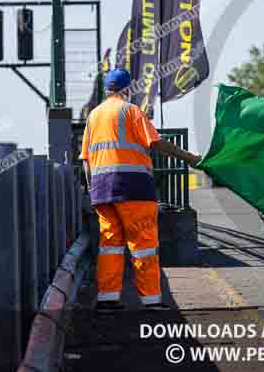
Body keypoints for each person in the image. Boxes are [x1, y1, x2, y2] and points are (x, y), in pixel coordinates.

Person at [81, 68, 202, 311]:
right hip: (133, 188)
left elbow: (85, 159)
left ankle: (107, 299)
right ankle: (151, 300)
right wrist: (189, 157)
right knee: (143, 245)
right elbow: (156, 142)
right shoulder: (131, 111)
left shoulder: (93, 116)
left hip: (102, 190)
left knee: (110, 245)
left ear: (107, 89)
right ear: (128, 88)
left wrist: (92, 189)